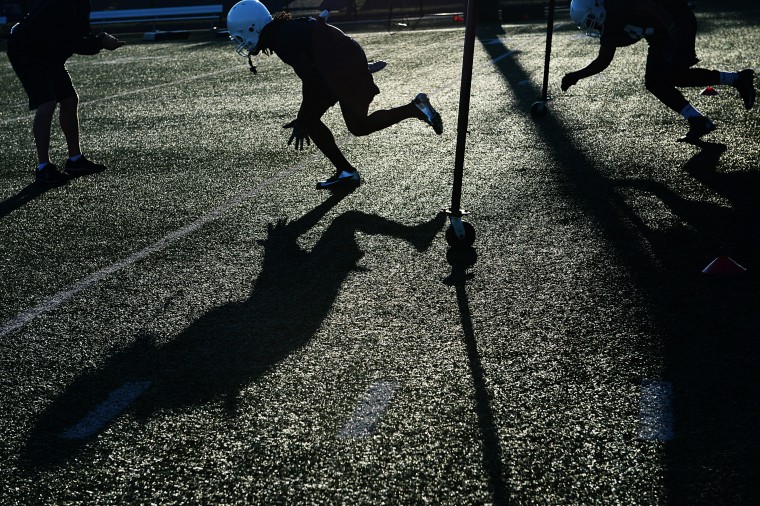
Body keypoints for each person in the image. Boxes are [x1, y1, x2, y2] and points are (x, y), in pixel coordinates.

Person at [226, 0, 443, 189]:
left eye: (239, 35)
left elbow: (311, 80)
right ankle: (415, 108)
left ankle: (346, 172)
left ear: (251, 28)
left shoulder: (282, 39)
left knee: (315, 121)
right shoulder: (284, 30)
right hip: (345, 63)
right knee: (357, 126)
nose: (239, 41)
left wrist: (303, 118)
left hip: (340, 70)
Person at [562, 0, 755, 144]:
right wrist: (576, 76)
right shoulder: (609, 22)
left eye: (592, 21)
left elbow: (648, 6)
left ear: (596, 6)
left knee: (673, 74)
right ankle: (699, 118)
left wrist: (672, 31)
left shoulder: (617, 5)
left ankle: (736, 81)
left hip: (676, 21)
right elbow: (603, 60)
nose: (595, 26)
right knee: (655, 81)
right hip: (660, 35)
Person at [7, 0, 126, 185]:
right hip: (26, 52)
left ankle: (75, 160)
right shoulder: (63, 4)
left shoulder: (81, 3)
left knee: (69, 100)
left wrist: (100, 39)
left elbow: (81, 34)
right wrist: (101, 41)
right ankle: (43, 167)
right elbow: (75, 42)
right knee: (47, 103)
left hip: (47, 52)